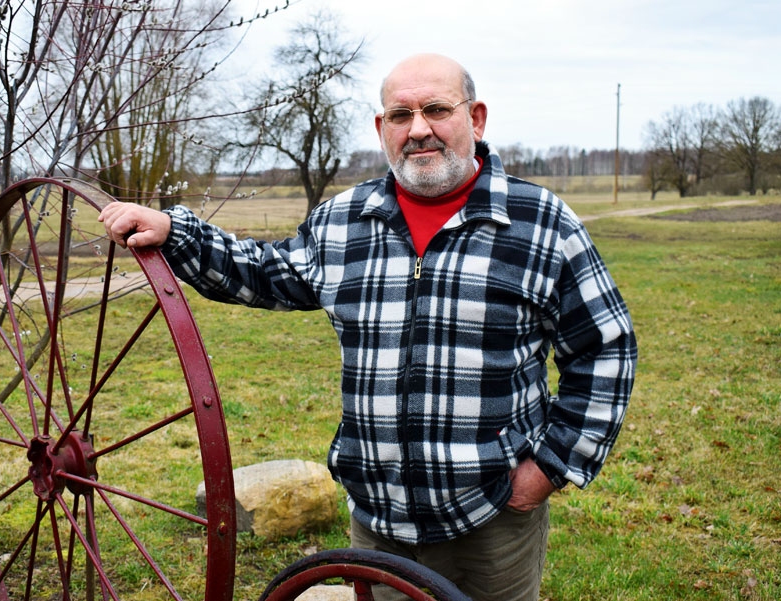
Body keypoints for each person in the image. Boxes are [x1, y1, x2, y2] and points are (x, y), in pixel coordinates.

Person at [100, 53, 637, 601]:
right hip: (377, 523)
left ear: (475, 119)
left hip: (491, 518)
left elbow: (605, 349)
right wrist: (175, 232)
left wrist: (547, 468)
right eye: (400, 115)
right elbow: (266, 273)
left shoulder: (541, 223)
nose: (419, 129)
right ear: (382, 129)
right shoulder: (343, 221)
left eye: (436, 109)